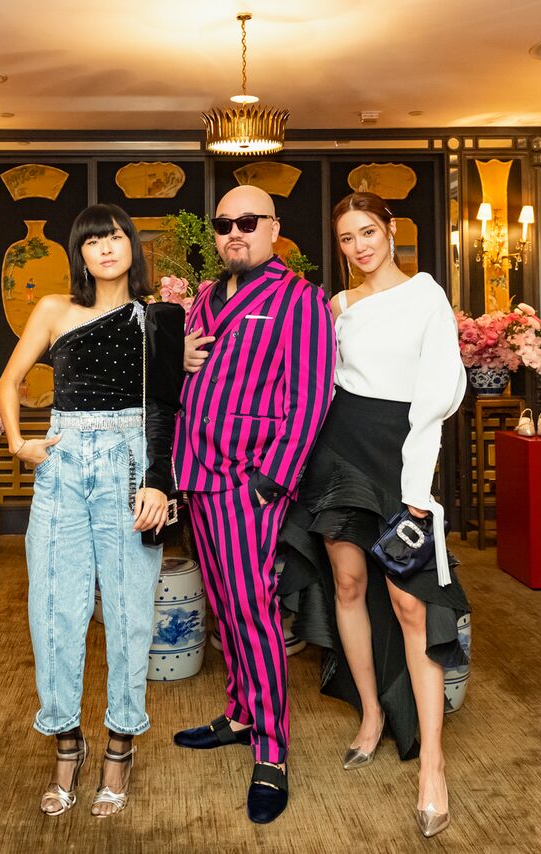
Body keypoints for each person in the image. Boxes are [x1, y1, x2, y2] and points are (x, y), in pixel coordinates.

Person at [277, 191, 468, 838]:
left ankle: (433, 766)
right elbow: (303, 380)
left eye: (368, 231)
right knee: (349, 585)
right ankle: (370, 716)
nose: (359, 246)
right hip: (336, 455)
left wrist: (417, 488)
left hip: (398, 455)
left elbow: (440, 394)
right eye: (347, 239)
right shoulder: (333, 308)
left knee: (412, 601)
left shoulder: (424, 296)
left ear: (390, 230)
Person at [0, 203, 184, 819]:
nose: (106, 248)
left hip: (130, 464)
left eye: (115, 237)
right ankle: (66, 742)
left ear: (132, 245)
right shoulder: (54, 309)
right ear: (79, 254)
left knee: (131, 609)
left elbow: (164, 407)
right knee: (54, 607)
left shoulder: (157, 316)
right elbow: (11, 379)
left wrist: (160, 482)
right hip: (63, 462)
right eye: (93, 241)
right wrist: (18, 442)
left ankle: (120, 747)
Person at [172, 184, 335, 824]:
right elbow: (177, 379)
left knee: (254, 611)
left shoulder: (302, 300)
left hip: (250, 483)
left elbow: (313, 395)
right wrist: (174, 357)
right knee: (226, 609)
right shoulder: (204, 301)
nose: (233, 232)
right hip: (197, 475)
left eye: (247, 221)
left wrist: (274, 478)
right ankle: (241, 714)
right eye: (223, 223)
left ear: (274, 229)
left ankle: (272, 750)